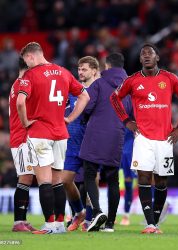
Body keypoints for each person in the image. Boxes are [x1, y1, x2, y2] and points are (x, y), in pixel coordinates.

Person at [110, 43, 178, 234]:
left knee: (161, 181)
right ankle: (149, 224)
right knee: (144, 176)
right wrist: (126, 120)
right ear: (140, 59)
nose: (146, 56)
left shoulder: (169, 78)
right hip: (143, 138)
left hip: (165, 139)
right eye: (143, 54)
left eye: (150, 53)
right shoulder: (132, 80)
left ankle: (154, 222)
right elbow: (114, 98)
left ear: (157, 58)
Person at [16, 42, 90, 234]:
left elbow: (20, 101)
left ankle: (49, 225)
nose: (26, 64)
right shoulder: (63, 72)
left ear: (31, 56)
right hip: (60, 132)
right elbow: (85, 97)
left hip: (40, 132)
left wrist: (25, 122)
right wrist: (71, 118)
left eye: (25, 60)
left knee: (44, 181)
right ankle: (58, 225)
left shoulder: (29, 75)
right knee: (57, 180)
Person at [79, 53, 132, 233]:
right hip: (117, 136)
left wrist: (86, 119)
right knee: (113, 180)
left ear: (107, 67)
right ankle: (110, 223)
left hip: (95, 134)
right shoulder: (130, 87)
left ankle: (97, 211)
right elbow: (131, 112)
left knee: (89, 173)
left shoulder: (99, 83)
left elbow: (87, 106)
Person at [62, 56, 100, 232]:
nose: (80, 72)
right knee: (65, 180)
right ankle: (79, 213)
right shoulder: (71, 91)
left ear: (94, 70)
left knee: (92, 181)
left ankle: (91, 219)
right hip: (71, 142)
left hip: (91, 143)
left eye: (84, 69)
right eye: (79, 69)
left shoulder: (100, 91)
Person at [9, 57, 37, 232]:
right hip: (21, 137)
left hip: (23, 136)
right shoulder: (22, 85)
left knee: (28, 177)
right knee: (25, 177)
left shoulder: (17, 84)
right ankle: (18, 221)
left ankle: (23, 220)